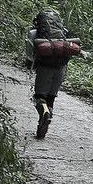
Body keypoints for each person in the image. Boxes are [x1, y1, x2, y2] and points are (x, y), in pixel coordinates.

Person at [25, 9, 72, 140]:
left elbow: (29, 53)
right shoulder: (63, 32)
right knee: (51, 97)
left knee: (39, 96)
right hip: (61, 67)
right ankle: (44, 122)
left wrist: (31, 62)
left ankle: (44, 113)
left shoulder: (34, 33)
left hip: (45, 67)